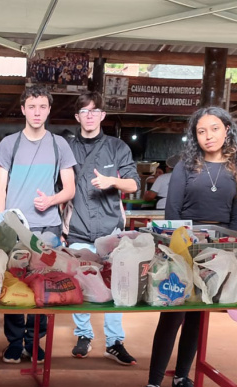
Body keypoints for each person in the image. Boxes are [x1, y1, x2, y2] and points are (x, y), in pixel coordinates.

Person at [128, 106, 237, 387]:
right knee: (173, 314)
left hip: (217, 252)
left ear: (226, 130)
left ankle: (182, 376)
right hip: (183, 247)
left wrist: (225, 250)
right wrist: (184, 249)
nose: (208, 136)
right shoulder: (187, 166)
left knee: (198, 315)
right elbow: (173, 212)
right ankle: (153, 384)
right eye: (201, 131)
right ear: (194, 136)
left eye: (213, 129)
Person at [0, 85, 77, 364]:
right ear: (23, 109)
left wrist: (51, 200)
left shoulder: (59, 144)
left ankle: (34, 341)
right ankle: (15, 342)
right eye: (32, 106)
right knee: (14, 285)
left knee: (44, 288)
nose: (37, 112)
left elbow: (70, 189)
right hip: (16, 228)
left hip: (48, 228)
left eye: (42, 107)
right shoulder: (9, 144)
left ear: (49, 110)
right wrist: (0, 221)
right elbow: (0, 188)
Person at [64, 92, 140, 364]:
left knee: (115, 285)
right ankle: (83, 334)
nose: (90, 116)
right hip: (78, 228)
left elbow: (133, 184)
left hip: (111, 231)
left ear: (103, 116)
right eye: (84, 111)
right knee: (80, 283)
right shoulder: (67, 148)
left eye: (95, 111)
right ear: (77, 117)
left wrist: (112, 181)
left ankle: (114, 341)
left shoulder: (117, 147)